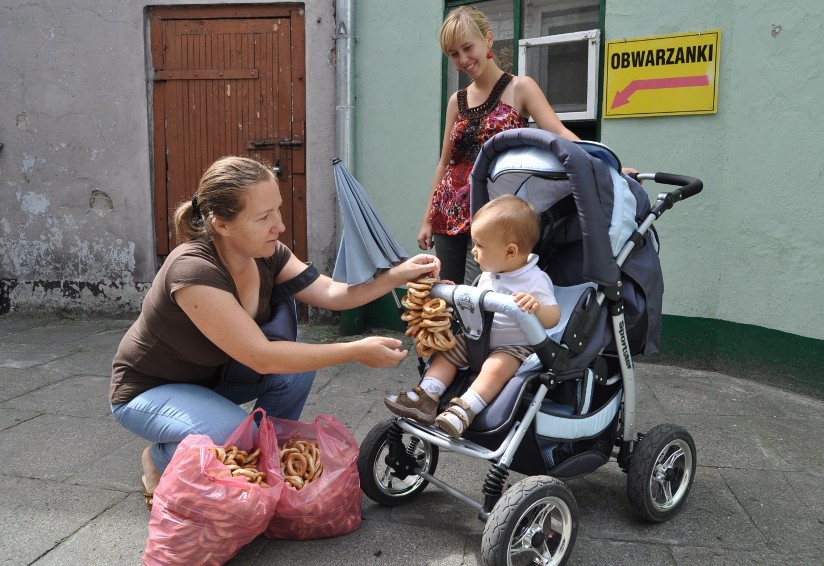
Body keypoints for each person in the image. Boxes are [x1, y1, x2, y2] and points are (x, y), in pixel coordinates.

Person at [110, 156, 440, 508]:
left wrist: (398, 275)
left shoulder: (266, 254)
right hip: (149, 391)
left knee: (295, 375)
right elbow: (261, 357)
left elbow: (333, 294)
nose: (279, 226)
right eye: (264, 217)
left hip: (211, 379)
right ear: (222, 225)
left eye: (278, 211)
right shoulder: (193, 270)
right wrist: (356, 350)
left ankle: (261, 453)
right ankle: (158, 458)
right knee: (234, 436)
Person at [417, 5, 580, 285]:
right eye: (454, 54)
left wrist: (604, 163)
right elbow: (445, 162)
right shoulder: (457, 100)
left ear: (488, 39)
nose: (463, 59)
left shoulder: (520, 88)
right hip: (448, 211)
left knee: (478, 299)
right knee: (446, 300)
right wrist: (427, 219)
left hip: (493, 213)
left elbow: (559, 133)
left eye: (468, 47)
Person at [387, 195, 561, 438]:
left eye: (480, 246)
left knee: (496, 366)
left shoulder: (535, 279)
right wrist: (452, 293)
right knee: (447, 352)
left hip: (514, 347)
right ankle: (426, 396)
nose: (474, 252)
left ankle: (465, 409)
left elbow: (554, 317)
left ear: (510, 252)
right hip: (477, 340)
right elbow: (475, 307)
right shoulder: (490, 273)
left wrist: (537, 308)